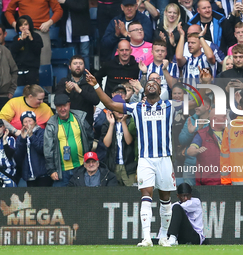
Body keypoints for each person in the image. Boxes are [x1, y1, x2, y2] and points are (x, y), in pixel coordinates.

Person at [85, 69, 203, 247]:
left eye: (155, 83)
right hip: (145, 159)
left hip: (164, 158)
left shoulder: (169, 105)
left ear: (160, 89)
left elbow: (196, 102)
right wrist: (95, 84)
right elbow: (109, 103)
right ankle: (147, 238)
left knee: (165, 198)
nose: (151, 85)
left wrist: (195, 83)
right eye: (148, 84)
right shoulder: (136, 107)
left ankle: (163, 236)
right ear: (144, 91)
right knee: (146, 196)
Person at [44, 94, 94, 187]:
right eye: (59, 106)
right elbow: (48, 149)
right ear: (55, 107)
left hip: (81, 167)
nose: (62, 109)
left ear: (69, 104)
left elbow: (90, 138)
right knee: (60, 200)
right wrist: (52, 170)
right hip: (61, 171)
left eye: (65, 105)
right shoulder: (51, 124)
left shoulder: (80, 118)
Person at [5, 0, 63, 65]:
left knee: (44, 62)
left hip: (41, 31)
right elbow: (8, 11)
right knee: (22, 61)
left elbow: (59, 10)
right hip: (24, 32)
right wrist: (14, 24)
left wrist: (49, 23)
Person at [100, 95, 137, 186]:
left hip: (129, 166)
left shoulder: (130, 122)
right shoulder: (107, 124)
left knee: (131, 192)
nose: (120, 111)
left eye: (121, 108)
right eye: (117, 108)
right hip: (113, 166)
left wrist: (123, 122)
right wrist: (111, 124)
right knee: (115, 194)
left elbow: (129, 141)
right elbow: (107, 144)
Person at [55, 55, 100, 126]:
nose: (78, 66)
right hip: (67, 122)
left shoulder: (90, 81)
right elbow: (56, 100)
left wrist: (80, 91)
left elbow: (96, 100)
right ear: (69, 67)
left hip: (86, 122)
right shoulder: (63, 81)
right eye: (75, 64)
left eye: (81, 64)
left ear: (84, 67)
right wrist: (67, 91)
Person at [187, 108, 226, 185]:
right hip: (209, 182)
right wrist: (197, 151)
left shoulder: (230, 133)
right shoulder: (202, 134)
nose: (226, 119)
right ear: (215, 119)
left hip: (228, 180)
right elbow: (189, 151)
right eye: (224, 117)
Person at [14, 111, 53, 187]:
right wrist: (22, 139)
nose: (28, 123)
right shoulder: (21, 137)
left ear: (35, 122)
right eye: (25, 122)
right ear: (22, 124)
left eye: (30, 121)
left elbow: (42, 150)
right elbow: (18, 156)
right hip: (29, 177)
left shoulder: (42, 132)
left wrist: (31, 136)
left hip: (43, 175)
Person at [178, 96, 211, 185]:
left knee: (209, 193)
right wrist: (191, 132)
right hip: (191, 163)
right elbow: (182, 140)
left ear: (207, 107)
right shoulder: (191, 119)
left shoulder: (214, 119)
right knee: (188, 193)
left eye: (199, 105)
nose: (196, 107)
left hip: (209, 165)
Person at [10, 15, 43, 86]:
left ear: (30, 25)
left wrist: (31, 39)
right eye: (20, 25)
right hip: (19, 70)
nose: (23, 27)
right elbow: (13, 51)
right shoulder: (16, 38)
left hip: (32, 70)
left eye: (25, 24)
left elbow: (37, 51)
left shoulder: (36, 36)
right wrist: (21, 40)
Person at [58, 0, 90, 70]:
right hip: (69, 29)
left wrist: (65, 2)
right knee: (72, 55)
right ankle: (73, 76)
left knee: (84, 54)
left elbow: (81, 6)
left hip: (82, 28)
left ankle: (87, 77)